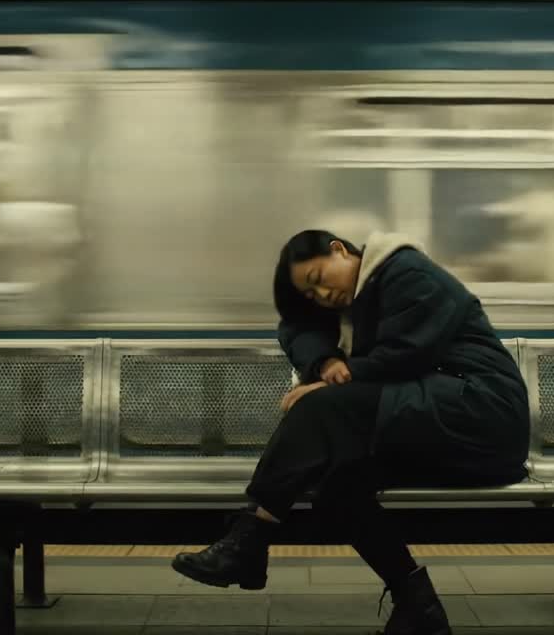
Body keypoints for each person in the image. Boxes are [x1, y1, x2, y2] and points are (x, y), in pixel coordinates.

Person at [172, 230, 531, 634]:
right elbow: (295, 327)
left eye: (319, 277)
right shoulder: (352, 304)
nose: (322, 294)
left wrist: (337, 381)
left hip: (481, 411)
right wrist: (325, 361)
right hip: (435, 423)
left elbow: (408, 351)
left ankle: (250, 537)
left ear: (339, 250)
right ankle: (418, 607)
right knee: (337, 488)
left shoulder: (405, 271)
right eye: (312, 293)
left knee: (321, 405)